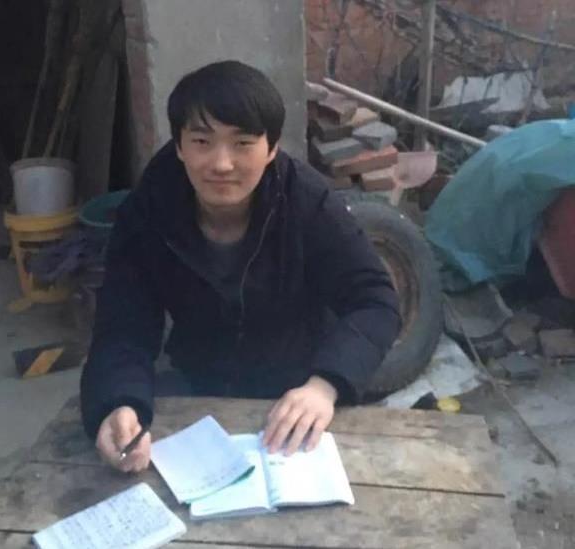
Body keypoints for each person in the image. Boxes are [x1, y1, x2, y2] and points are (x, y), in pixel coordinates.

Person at [80, 60, 401, 473]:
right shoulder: (148, 209)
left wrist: (325, 386)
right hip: (199, 388)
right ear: (179, 145)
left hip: (298, 393)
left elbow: (375, 301)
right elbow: (123, 322)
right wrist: (119, 401)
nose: (221, 164)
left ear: (272, 149)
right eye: (201, 141)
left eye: (243, 143)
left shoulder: (306, 202)